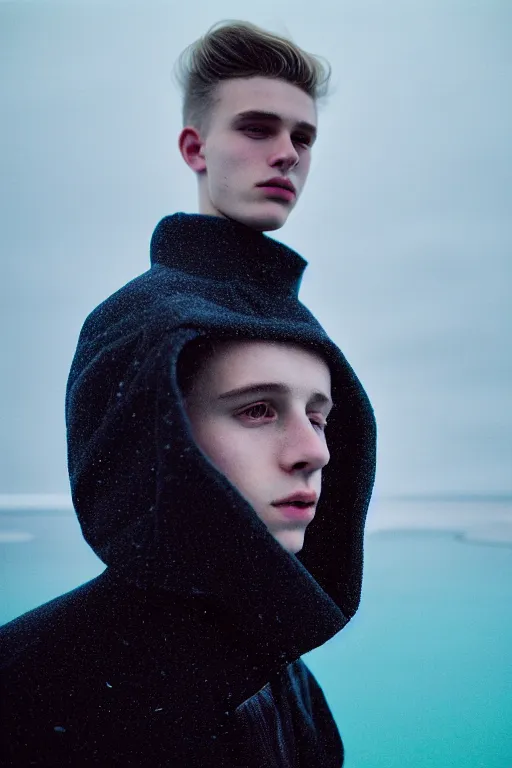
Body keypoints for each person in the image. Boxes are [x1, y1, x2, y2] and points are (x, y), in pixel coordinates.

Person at [0, 19, 376, 766]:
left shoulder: (285, 678)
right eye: (259, 128)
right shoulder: (30, 685)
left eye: (304, 138)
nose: (313, 453)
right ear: (194, 147)